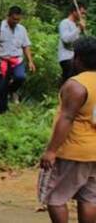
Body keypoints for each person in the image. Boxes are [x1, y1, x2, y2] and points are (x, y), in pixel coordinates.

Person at [39, 36, 96, 223]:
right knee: (89, 198)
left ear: (78, 59)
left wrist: (51, 150)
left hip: (72, 150)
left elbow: (67, 118)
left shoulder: (76, 85)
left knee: (56, 198)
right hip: (93, 151)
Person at [0, 6, 36, 113]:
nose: (16, 22)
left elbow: (26, 46)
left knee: (20, 77)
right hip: (2, 60)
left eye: (18, 20)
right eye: (14, 19)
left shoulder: (22, 29)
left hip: (17, 60)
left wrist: (30, 61)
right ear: (8, 16)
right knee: (1, 87)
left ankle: (11, 91)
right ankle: (2, 111)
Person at [58, 3, 87, 83]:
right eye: (81, 13)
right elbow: (66, 39)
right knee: (70, 81)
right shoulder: (65, 23)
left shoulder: (75, 25)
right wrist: (79, 29)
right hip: (67, 58)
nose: (83, 16)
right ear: (74, 12)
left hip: (74, 58)